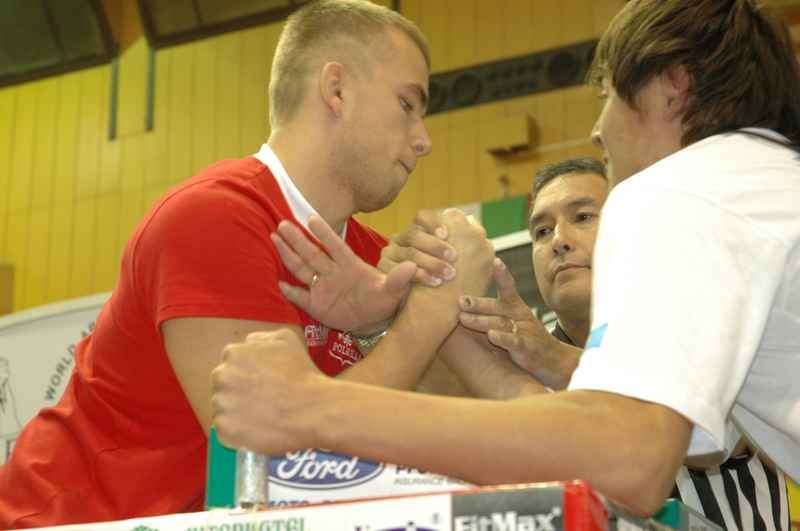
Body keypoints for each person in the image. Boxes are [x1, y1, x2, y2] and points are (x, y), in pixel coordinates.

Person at [211, 0, 800, 517]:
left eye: (606, 98)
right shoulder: (755, 184)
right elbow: (675, 441)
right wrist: (416, 313)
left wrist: (313, 406)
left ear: (673, 86)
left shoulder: (677, 188)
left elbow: (628, 460)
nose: (598, 131)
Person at [0, 1, 499, 527]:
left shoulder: (374, 255)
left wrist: (394, 325)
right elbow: (272, 471)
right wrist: (424, 318)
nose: (424, 140)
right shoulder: (211, 219)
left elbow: (434, 432)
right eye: (407, 104)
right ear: (336, 90)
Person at [448, 157, 789, 531]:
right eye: (542, 231)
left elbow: (720, 433)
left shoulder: (707, 325)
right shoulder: (523, 369)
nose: (558, 240)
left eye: (583, 217)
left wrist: (553, 358)